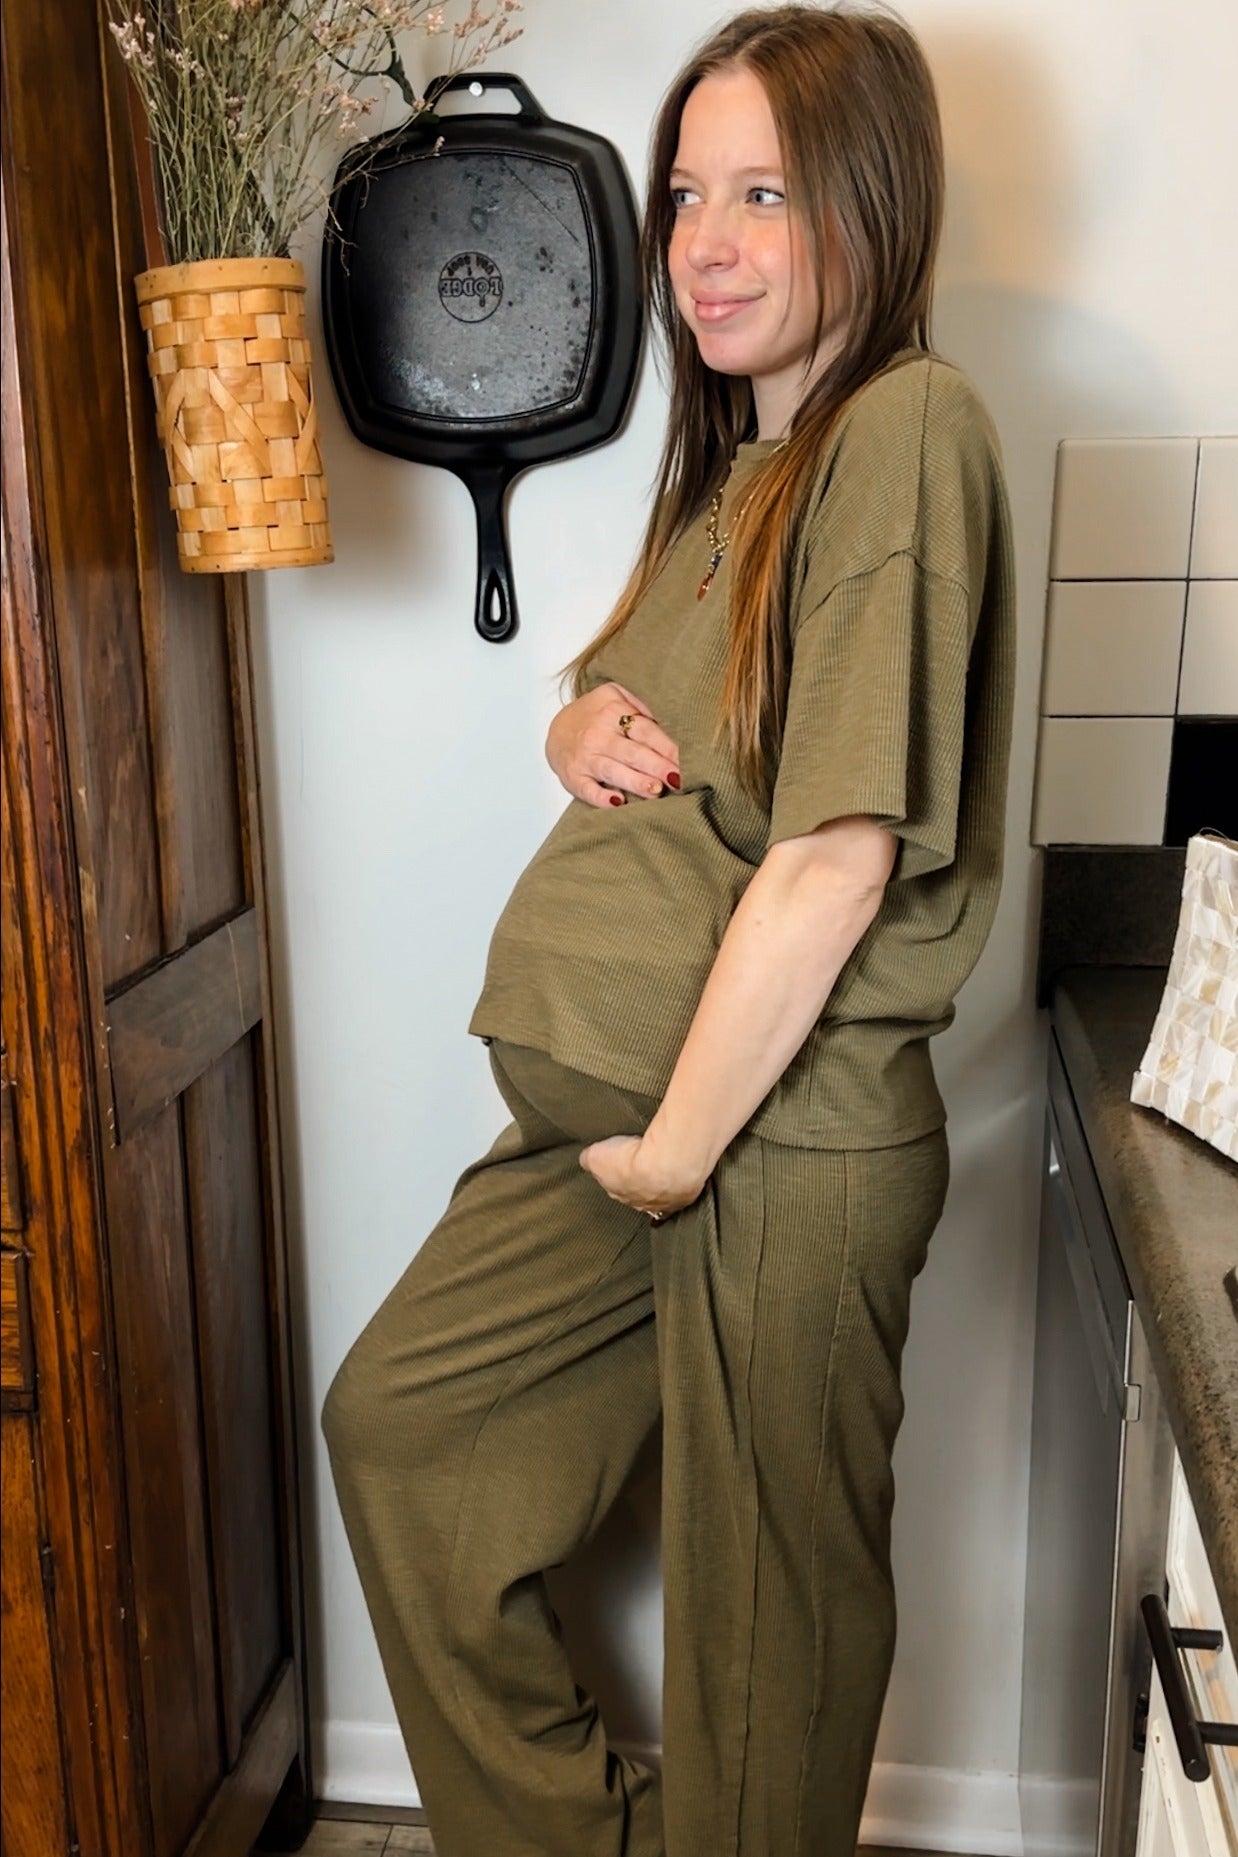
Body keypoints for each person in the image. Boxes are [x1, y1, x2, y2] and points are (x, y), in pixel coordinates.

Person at [321, 4, 1016, 1854]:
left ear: (872, 201)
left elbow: (835, 854)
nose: (703, 242)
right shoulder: (732, 471)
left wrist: (675, 1152)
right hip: (646, 1128)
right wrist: (568, 723)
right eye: (687, 194)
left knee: (759, 1634)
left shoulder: (905, 429)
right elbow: (672, 728)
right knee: (405, 1428)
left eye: (763, 194)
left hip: (766, 1136)